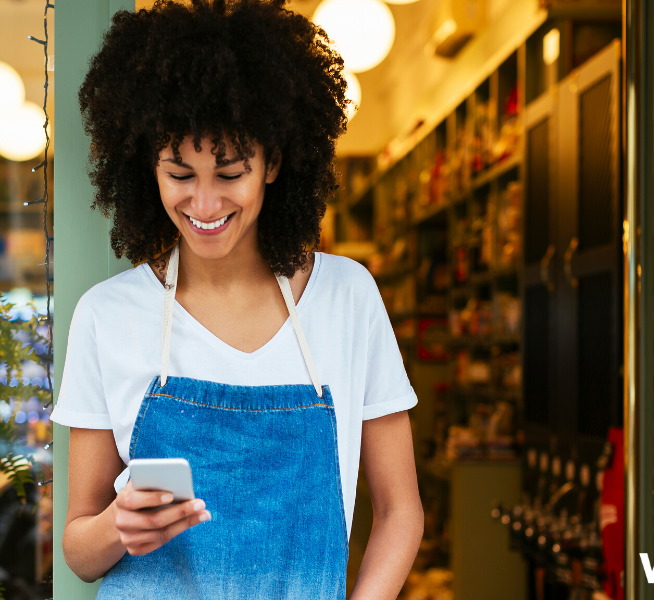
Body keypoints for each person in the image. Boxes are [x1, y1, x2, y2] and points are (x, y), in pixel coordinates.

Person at [50, 0, 424, 597]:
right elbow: (79, 551)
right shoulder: (106, 315)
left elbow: (401, 510)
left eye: (229, 175)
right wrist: (119, 526)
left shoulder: (346, 299)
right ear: (147, 166)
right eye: (179, 173)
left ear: (273, 162)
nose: (204, 204)